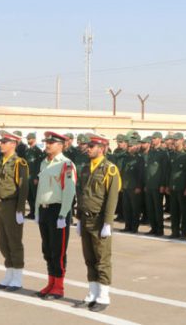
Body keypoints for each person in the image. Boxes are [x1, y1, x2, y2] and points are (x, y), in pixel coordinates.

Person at [75, 134, 121, 312]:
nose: (89, 149)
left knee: (102, 259)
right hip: (86, 218)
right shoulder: (86, 168)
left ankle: (103, 295)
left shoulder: (109, 169)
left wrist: (108, 223)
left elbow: (112, 198)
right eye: (89, 146)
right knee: (89, 258)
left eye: (92, 146)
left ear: (101, 148)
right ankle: (92, 293)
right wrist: (78, 218)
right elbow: (81, 194)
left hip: (99, 219)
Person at [34, 132, 76, 300]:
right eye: (46, 142)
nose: (48, 145)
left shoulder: (66, 164)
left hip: (57, 211)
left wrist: (63, 214)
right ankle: (51, 282)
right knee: (47, 249)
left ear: (61, 145)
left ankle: (59, 287)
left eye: (51, 142)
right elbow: (40, 190)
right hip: (44, 210)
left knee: (58, 251)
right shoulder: (44, 163)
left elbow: (69, 191)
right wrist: (37, 211)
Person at [0, 130, 29, 291]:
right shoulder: (1, 161)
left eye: (5, 142)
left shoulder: (19, 163)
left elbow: (23, 187)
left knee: (14, 241)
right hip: (1, 206)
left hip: (12, 205)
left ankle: (18, 277)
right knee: (3, 241)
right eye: (1, 141)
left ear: (13, 144)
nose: (2, 144)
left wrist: (20, 210)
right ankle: (9, 273)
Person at [165, 133, 186, 239]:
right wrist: (168, 185)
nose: (175, 141)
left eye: (177, 140)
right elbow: (169, 171)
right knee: (174, 211)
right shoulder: (172, 154)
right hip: (173, 187)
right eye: (174, 140)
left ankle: (184, 232)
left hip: (183, 188)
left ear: (182, 140)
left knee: (184, 211)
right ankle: (175, 231)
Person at [119, 137, 144, 233]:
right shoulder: (125, 158)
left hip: (134, 187)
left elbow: (141, 174)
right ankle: (127, 226)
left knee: (135, 209)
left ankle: (134, 227)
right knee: (126, 208)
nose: (129, 148)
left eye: (131, 146)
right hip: (125, 186)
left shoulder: (139, 158)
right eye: (128, 146)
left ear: (135, 147)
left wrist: (138, 186)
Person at [25, 132, 44, 219]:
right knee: (29, 196)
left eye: (30, 139)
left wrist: (37, 177)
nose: (29, 140)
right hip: (27, 176)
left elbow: (39, 165)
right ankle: (32, 212)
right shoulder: (27, 151)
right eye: (28, 139)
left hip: (34, 177)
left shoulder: (38, 151)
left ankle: (38, 213)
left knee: (36, 195)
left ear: (34, 139)